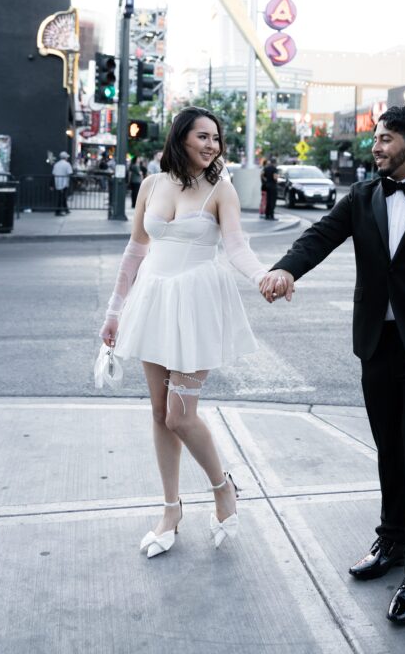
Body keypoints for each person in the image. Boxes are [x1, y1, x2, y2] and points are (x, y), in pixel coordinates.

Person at [259, 107, 405, 627]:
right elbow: (320, 236)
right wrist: (286, 268)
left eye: (386, 139)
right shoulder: (362, 195)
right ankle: (392, 542)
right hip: (376, 346)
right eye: (376, 139)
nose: (376, 147)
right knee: (389, 452)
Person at [99, 106, 269, 558]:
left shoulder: (222, 188)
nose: (212, 144)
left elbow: (236, 246)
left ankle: (222, 488)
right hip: (152, 300)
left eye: (216, 137)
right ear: (181, 138)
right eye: (203, 136)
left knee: (180, 415)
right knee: (158, 413)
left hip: (196, 303)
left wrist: (263, 277)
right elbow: (136, 250)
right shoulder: (152, 184)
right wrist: (114, 312)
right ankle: (171, 510)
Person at [51, 151, 72, 216]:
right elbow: (70, 173)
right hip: (64, 183)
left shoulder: (56, 164)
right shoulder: (67, 164)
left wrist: (51, 184)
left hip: (57, 182)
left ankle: (66, 209)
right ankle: (58, 211)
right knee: (62, 197)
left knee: (62, 196)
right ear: (65, 157)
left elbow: (53, 174)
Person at [262, 155, 278, 221]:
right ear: (275, 162)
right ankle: (271, 215)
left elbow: (262, 175)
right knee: (272, 201)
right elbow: (275, 177)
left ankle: (267, 215)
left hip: (267, 185)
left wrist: (266, 180)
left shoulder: (266, 168)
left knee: (268, 200)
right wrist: (276, 180)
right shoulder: (274, 169)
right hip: (273, 186)